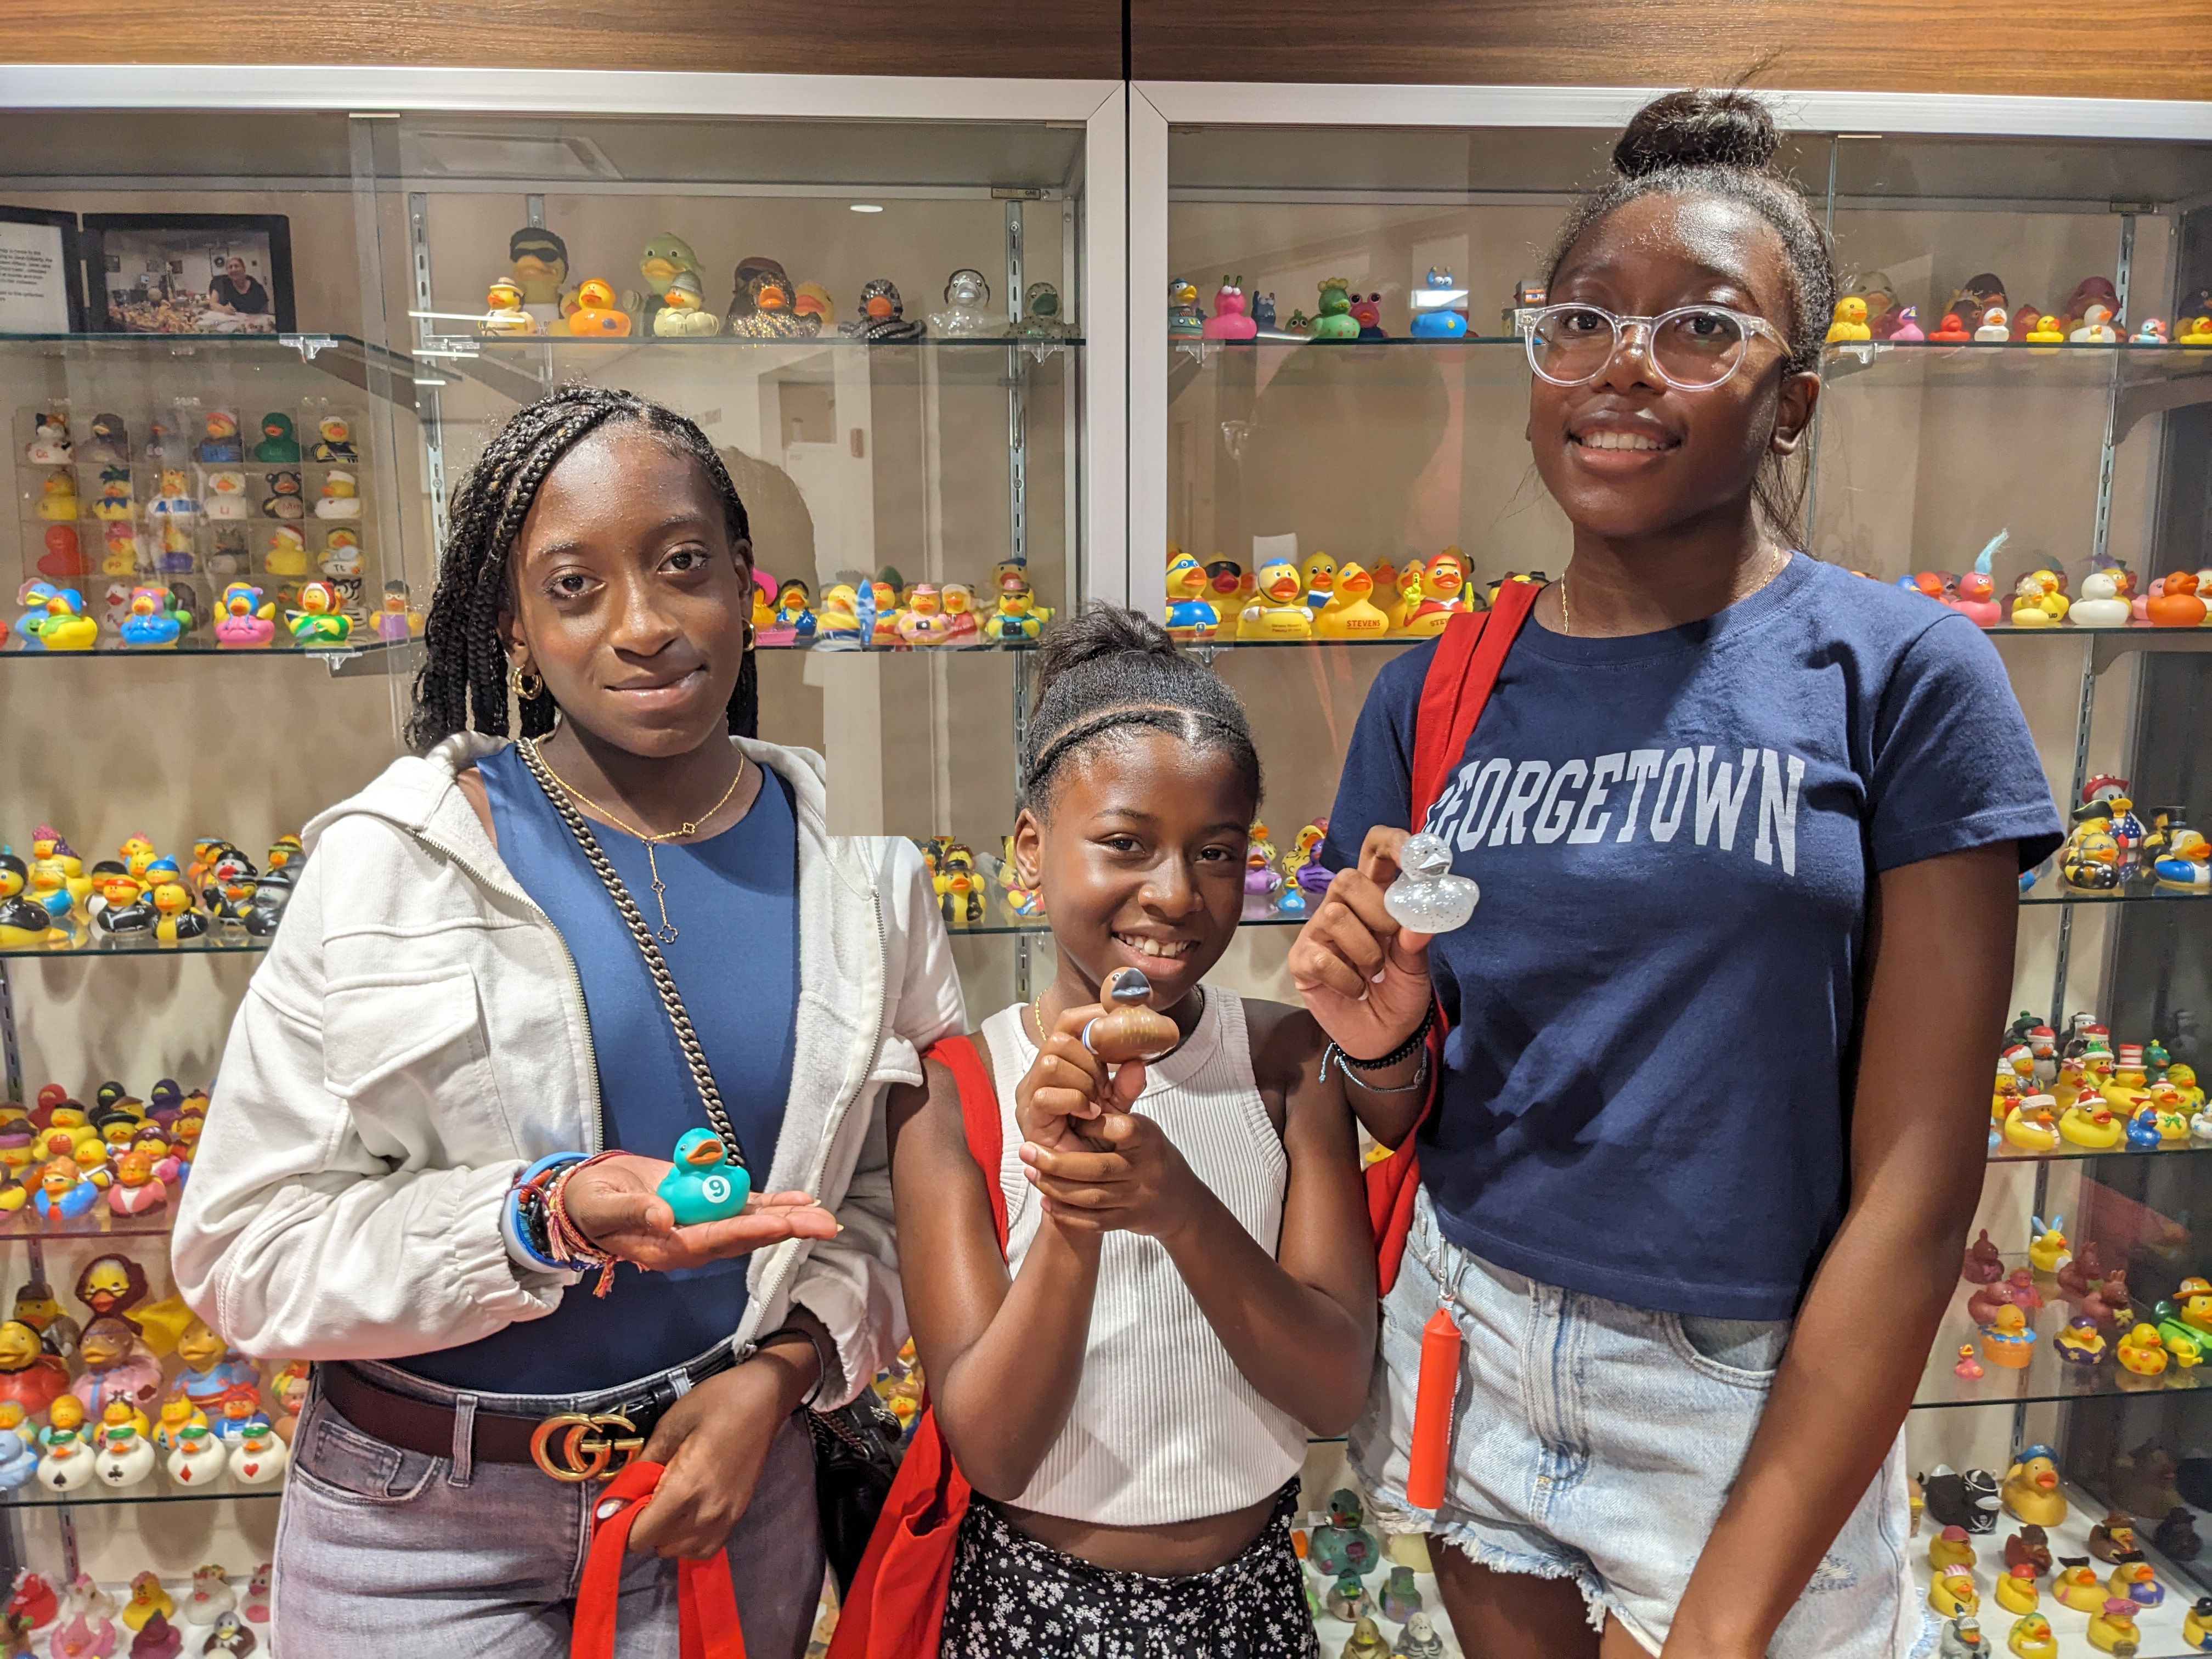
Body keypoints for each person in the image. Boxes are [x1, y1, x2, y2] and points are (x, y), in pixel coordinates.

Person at [1293, 89, 2062, 1659]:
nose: (1626, 364)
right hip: (1474, 1332)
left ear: (1793, 404)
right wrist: (1377, 1043)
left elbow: (1918, 1192)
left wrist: (1722, 1622)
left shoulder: (1902, 675)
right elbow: (1405, 1105)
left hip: (1750, 1391)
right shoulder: (1436, 690)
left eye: (1703, 330)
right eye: (1581, 322)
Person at [174, 386, 963, 1659]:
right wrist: (541, 1216)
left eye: (682, 565)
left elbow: (890, 1210)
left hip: (722, 1499)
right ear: (516, 628)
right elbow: (242, 1249)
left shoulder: (871, 895)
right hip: (415, 1539)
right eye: (575, 585)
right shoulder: (398, 862)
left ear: (747, 583)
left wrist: (780, 1377)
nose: (645, 626)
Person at [887, 609, 1391, 1658]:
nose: (1173, 891)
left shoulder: (1288, 1062)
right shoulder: (954, 1092)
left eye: (1215, 851)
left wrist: (1176, 1209)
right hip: (1031, 1604)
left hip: (1251, 1597)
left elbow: (1335, 1384)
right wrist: (1080, 1202)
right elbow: (994, 1443)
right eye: (1125, 842)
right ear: (1030, 850)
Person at [205, 256, 269, 317]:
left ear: (244, 269)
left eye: (237, 266)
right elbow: (213, 305)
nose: (233, 270)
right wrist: (223, 309)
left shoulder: (256, 286)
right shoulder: (221, 283)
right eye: (230, 267)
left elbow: (264, 309)